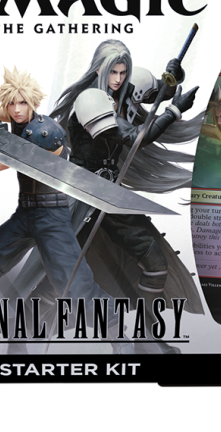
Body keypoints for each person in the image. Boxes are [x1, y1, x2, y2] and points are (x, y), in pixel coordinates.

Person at [0, 67, 128, 355]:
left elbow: (0, 164)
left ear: (33, 103)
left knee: (76, 288)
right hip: (26, 213)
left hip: (52, 217)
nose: (16, 110)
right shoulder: (18, 117)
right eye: (12, 103)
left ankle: (123, 342)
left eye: (22, 103)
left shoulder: (43, 132)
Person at [49, 39, 205, 354]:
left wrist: (173, 76)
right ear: (99, 69)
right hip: (85, 199)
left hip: (109, 195)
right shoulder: (89, 100)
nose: (118, 79)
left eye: (123, 72)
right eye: (112, 72)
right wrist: (174, 111)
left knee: (154, 262)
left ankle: (145, 338)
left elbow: (160, 89)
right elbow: (134, 138)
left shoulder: (124, 86)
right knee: (62, 277)